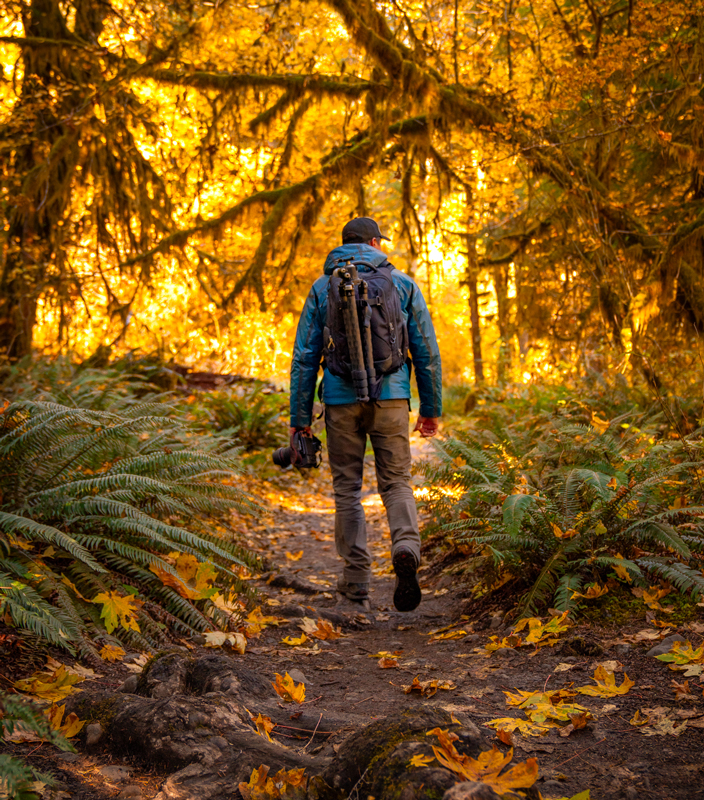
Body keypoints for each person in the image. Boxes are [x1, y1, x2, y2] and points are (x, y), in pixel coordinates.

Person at [289, 217, 442, 612]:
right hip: (392, 398)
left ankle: (356, 581)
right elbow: (425, 350)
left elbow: (305, 357)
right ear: (375, 242)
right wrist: (430, 409)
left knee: (347, 490)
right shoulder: (402, 284)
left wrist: (300, 416)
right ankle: (406, 548)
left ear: (343, 245)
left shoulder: (322, 288)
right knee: (396, 483)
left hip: (340, 401)